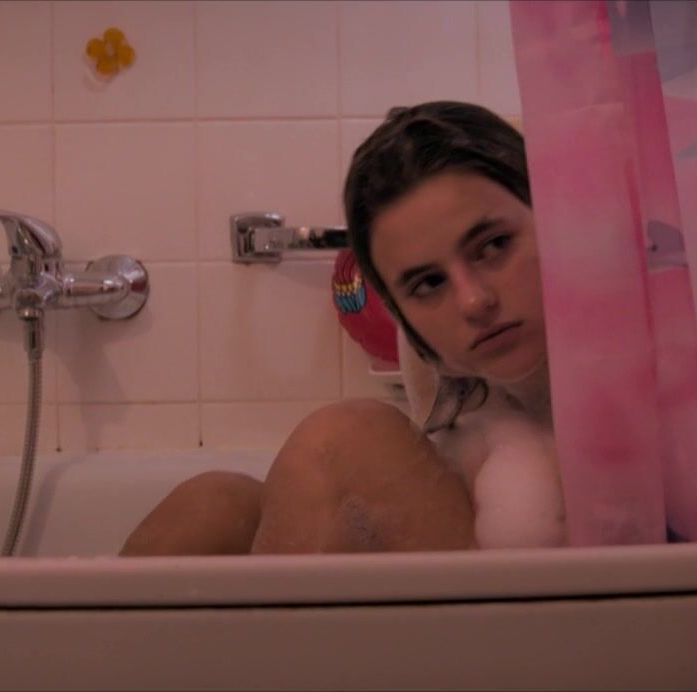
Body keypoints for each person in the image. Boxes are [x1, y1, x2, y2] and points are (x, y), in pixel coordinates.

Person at [120, 101, 565, 556]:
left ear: (555, 216)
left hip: (567, 589)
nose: (473, 301)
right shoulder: (450, 374)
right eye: (429, 283)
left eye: (494, 245)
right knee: (211, 506)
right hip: (508, 532)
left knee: (346, 440)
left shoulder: (613, 337)